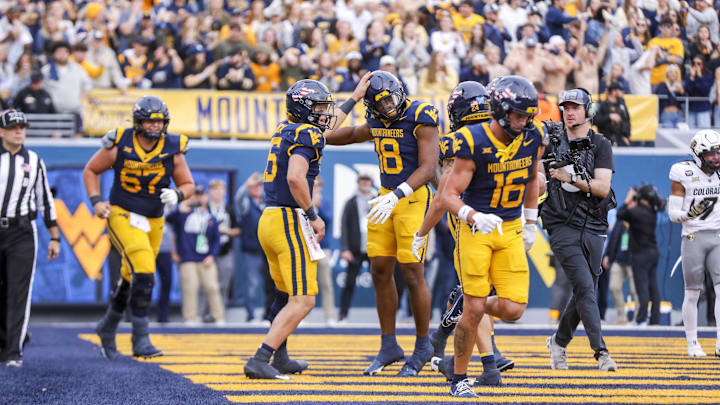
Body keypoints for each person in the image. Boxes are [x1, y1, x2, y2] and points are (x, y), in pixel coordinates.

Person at [243, 74, 372, 379]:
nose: (325, 112)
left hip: (270, 219)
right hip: (288, 219)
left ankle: (280, 356)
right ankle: (261, 357)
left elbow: (327, 126)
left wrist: (354, 97)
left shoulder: (287, 129)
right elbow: (295, 178)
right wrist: (313, 215)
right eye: (318, 106)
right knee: (304, 298)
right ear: (303, 108)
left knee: (286, 294)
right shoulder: (307, 134)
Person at [429, 76, 544, 397]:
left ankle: (479, 347)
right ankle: (474, 369)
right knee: (475, 302)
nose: (523, 122)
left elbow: (535, 178)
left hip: (507, 224)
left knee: (507, 306)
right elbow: (446, 193)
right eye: (519, 116)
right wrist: (470, 216)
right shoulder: (468, 142)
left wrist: (530, 221)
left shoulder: (529, 136)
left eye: (526, 116)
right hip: (474, 225)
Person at [325, 71, 439, 377]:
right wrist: (352, 98)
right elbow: (331, 134)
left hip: (413, 197)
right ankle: (389, 344)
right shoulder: (375, 120)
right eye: (382, 104)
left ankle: (423, 345)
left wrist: (399, 194)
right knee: (378, 269)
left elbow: (429, 168)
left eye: (391, 99)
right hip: (386, 196)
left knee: (413, 272)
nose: (389, 107)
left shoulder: (421, 114)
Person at [411, 81, 519, 387]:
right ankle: (488, 361)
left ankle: (448, 340)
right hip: (502, 223)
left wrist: (423, 231)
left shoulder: (457, 142)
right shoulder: (505, 135)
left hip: (470, 225)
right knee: (481, 296)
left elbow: (444, 195)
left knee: (475, 296)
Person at [83, 95, 195, 360]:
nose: (155, 126)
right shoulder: (119, 141)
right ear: (138, 121)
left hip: (154, 219)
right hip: (122, 213)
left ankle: (108, 326)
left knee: (130, 274)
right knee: (145, 270)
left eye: (159, 122)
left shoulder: (173, 147)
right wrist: (96, 201)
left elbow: (188, 184)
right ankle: (140, 338)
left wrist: (178, 195)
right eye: (150, 120)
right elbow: (90, 170)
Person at [543, 88, 618, 372]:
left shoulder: (600, 144)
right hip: (561, 222)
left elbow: (601, 188)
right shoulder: (552, 141)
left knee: (585, 289)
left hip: (595, 221)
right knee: (585, 287)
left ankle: (559, 342)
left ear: (589, 110)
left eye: (575, 107)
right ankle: (602, 353)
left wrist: (570, 177)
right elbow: (536, 177)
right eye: (566, 107)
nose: (569, 112)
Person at [0, 109, 60, 367]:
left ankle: (13, 351)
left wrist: (55, 236)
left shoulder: (34, 160)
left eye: (22, 127)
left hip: (22, 231)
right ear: (1, 131)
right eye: (14, 127)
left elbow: (45, 199)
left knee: (18, 292)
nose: (19, 131)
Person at [667, 129, 720, 357]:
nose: (716, 157)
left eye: (718, 152)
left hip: (717, 235)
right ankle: (692, 343)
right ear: (698, 154)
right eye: (710, 154)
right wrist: (689, 215)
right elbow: (672, 213)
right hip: (693, 237)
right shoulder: (683, 171)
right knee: (692, 293)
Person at [167, 185, 225, 325]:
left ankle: (218, 316)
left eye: (201, 195)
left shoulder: (210, 217)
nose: (199, 197)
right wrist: (181, 207)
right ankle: (190, 317)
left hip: (205, 258)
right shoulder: (183, 214)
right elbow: (169, 220)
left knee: (212, 287)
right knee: (190, 288)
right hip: (187, 258)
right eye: (196, 195)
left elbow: (216, 240)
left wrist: (212, 255)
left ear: (206, 197)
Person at [617, 184, 664, 325]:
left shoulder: (635, 212)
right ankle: (655, 320)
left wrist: (627, 199)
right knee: (653, 288)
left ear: (640, 197)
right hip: (653, 253)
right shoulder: (652, 211)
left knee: (642, 288)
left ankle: (641, 319)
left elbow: (620, 214)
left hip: (640, 255)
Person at [338, 174, 374, 322]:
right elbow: (344, 226)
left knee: (383, 283)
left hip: (373, 248)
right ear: (358, 183)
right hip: (355, 250)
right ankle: (343, 315)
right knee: (349, 284)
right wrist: (345, 248)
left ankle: (388, 316)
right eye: (362, 181)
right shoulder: (351, 202)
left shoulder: (376, 200)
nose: (365, 183)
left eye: (367, 181)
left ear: (371, 183)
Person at [236, 173, 271, 322]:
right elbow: (237, 199)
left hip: (268, 250)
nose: (257, 188)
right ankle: (250, 316)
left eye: (259, 185)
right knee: (252, 284)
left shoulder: (267, 202)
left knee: (271, 283)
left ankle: (268, 314)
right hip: (252, 250)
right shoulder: (246, 203)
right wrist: (246, 184)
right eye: (254, 186)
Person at [602, 219, 638, 324]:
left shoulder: (639, 217)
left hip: (634, 261)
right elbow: (613, 239)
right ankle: (622, 317)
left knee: (635, 290)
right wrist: (608, 255)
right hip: (619, 260)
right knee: (614, 287)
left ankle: (638, 318)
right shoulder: (620, 221)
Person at [595, 82, 631, 146]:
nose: (623, 92)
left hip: (621, 141)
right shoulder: (602, 105)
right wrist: (609, 117)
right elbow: (595, 121)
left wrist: (627, 136)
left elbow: (627, 122)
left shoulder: (622, 105)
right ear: (614, 92)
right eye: (620, 90)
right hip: (606, 141)